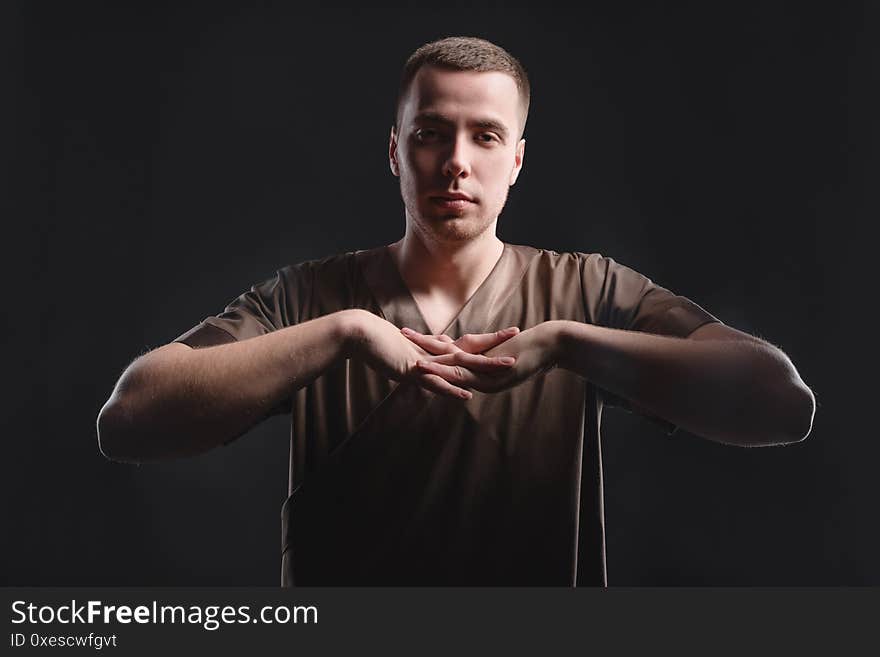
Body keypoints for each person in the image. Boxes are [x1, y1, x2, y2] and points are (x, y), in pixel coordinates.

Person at [97, 36, 815, 586]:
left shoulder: (588, 293)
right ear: (394, 151)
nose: (456, 162)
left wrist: (566, 344)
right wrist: (344, 334)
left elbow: (780, 402)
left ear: (519, 160)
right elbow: (129, 419)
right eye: (431, 132)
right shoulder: (308, 299)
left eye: (486, 135)